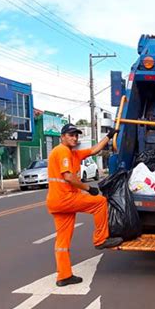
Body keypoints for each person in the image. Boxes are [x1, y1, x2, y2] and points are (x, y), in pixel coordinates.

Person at [46, 123, 122, 287]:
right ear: (62, 137)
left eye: (76, 135)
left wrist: (109, 136)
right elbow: (68, 177)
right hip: (65, 198)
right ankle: (101, 239)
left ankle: (64, 275)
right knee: (100, 202)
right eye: (71, 135)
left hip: (56, 201)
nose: (74, 138)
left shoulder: (74, 154)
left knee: (62, 241)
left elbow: (94, 150)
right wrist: (89, 188)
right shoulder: (62, 151)